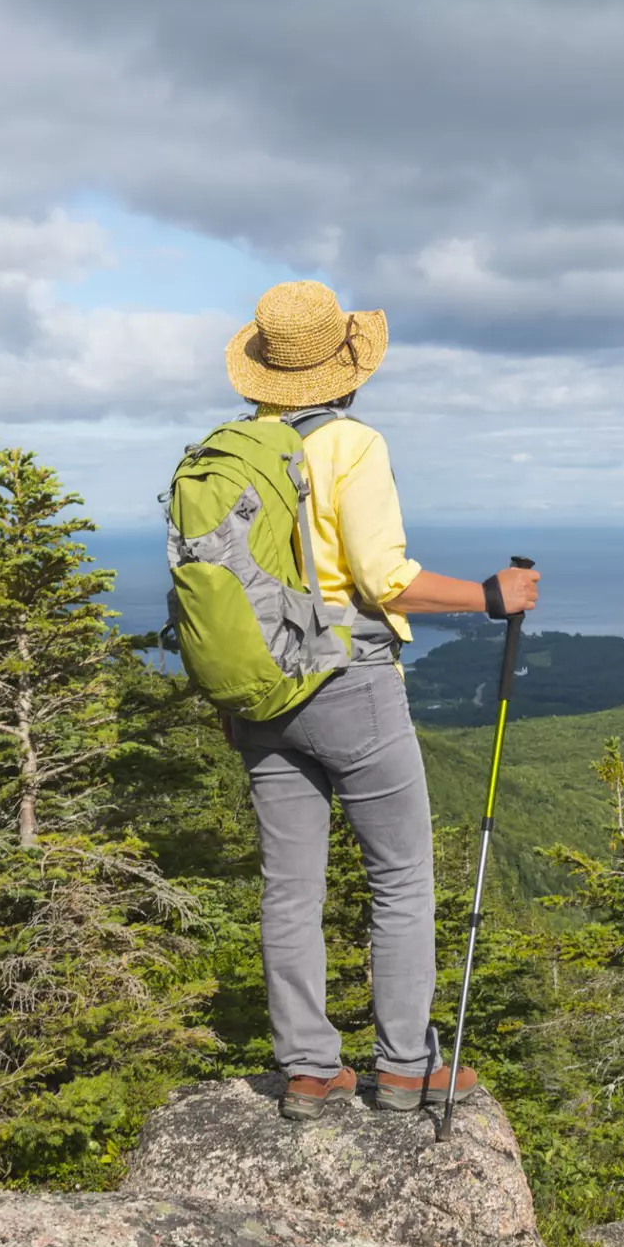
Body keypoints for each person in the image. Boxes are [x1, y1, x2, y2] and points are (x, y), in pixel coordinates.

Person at [221, 279, 539, 1120]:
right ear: (346, 369)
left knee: (290, 887)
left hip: (259, 687)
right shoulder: (349, 444)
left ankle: (309, 1071)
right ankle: (404, 1067)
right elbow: (382, 578)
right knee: (400, 878)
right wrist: (491, 595)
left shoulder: (232, 451)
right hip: (349, 685)